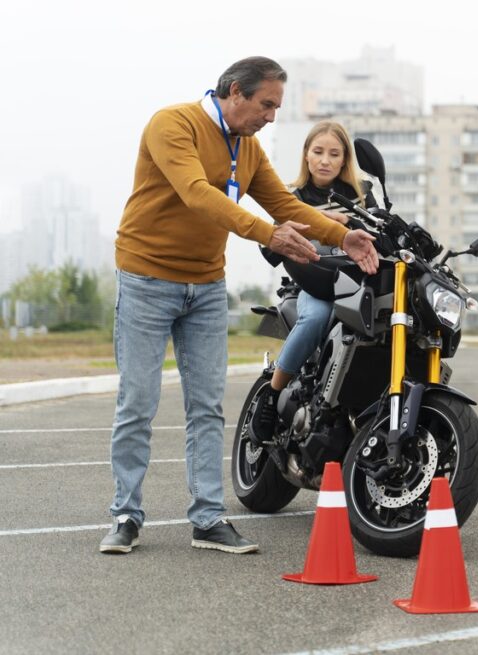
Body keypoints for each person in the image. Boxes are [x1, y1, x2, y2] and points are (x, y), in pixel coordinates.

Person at [101, 57, 379, 555]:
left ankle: (208, 519)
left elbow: (287, 205)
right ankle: (126, 514)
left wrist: (344, 236)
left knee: (207, 407)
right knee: (138, 402)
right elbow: (197, 195)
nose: (271, 116)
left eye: (277, 106)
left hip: (205, 285)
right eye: (266, 104)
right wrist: (268, 234)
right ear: (234, 91)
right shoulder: (174, 124)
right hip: (147, 277)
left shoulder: (246, 147)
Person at [250, 121, 375, 441]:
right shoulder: (294, 198)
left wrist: (350, 221)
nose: (325, 160)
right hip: (314, 285)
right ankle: (270, 396)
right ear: (306, 155)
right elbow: (271, 246)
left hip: (358, 285)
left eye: (334, 154)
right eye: (318, 152)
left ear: (345, 159)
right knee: (315, 318)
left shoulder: (363, 197)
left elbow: (381, 234)